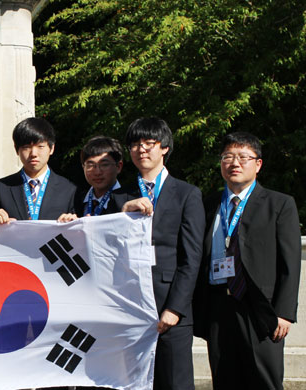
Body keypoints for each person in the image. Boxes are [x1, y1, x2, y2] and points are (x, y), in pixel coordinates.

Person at [193, 132, 301, 389]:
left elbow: (290, 263)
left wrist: (284, 313)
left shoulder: (279, 204)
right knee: (224, 378)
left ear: (258, 164)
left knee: (264, 380)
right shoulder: (208, 205)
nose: (234, 163)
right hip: (218, 305)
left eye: (243, 157)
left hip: (260, 309)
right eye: (227, 157)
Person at [121, 117, 205, 390]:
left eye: (149, 143)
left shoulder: (187, 194)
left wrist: (175, 308)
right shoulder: (119, 197)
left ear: (164, 147)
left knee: (175, 382)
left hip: (169, 308)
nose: (141, 150)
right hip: (129, 307)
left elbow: (191, 256)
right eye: (135, 144)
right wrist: (122, 212)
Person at [0, 117, 77, 223]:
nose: (33, 153)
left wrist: (72, 222)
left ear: (51, 149)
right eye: (26, 147)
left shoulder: (68, 189)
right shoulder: (0, 188)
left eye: (40, 146)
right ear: (16, 150)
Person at [58, 136, 131, 222]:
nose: (97, 172)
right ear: (83, 167)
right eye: (90, 165)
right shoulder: (74, 201)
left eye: (104, 165)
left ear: (118, 166)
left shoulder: (130, 201)